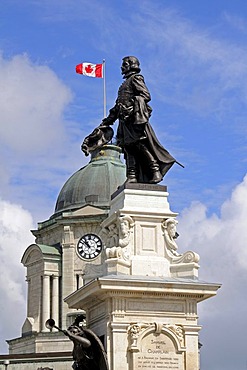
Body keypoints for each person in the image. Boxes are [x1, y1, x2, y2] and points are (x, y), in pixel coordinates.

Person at [101, 56, 180, 184]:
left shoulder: (136, 78)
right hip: (124, 121)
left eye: (125, 64)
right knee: (128, 148)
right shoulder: (123, 85)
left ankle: (155, 170)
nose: (122, 67)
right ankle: (132, 175)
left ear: (132, 65)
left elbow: (145, 95)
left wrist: (132, 107)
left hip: (133, 119)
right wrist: (108, 120)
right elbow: (117, 106)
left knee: (140, 145)